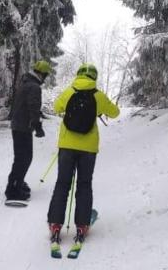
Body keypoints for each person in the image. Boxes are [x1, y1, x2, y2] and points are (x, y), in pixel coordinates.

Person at [47, 63, 120, 243]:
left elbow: (56, 108)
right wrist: (99, 109)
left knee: (62, 184)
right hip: (88, 148)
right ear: (94, 77)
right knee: (84, 184)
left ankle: (55, 224)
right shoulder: (98, 95)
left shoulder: (69, 91)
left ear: (78, 75)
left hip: (66, 146)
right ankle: (82, 225)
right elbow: (116, 112)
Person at [5, 60, 52, 202]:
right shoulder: (34, 87)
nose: (45, 78)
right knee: (23, 158)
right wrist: (37, 126)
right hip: (22, 127)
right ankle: (13, 190)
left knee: (22, 157)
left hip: (19, 125)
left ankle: (17, 182)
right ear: (42, 74)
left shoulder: (26, 83)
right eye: (45, 75)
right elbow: (33, 107)